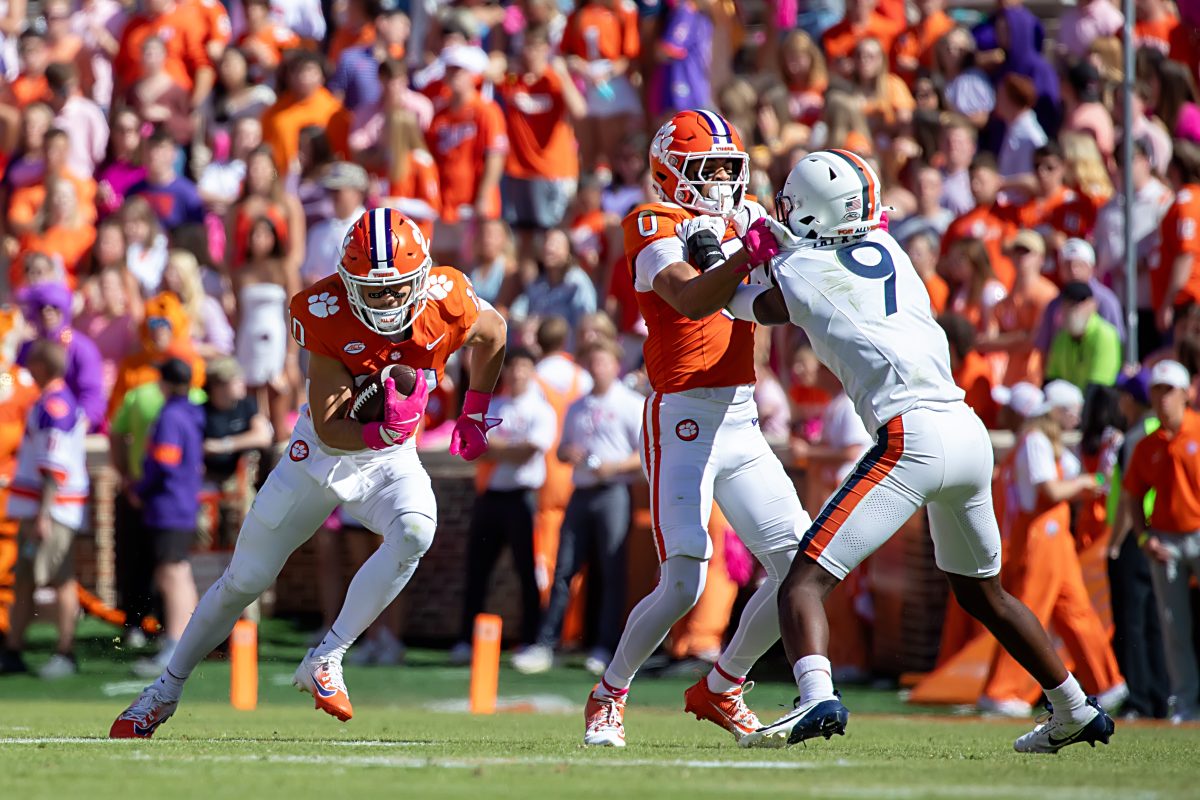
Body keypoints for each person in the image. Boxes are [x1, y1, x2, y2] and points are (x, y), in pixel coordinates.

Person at [721, 149, 1115, 753]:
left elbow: (744, 303)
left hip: (911, 436)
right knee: (983, 591)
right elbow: (835, 251)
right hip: (966, 429)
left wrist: (734, 252)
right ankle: (1074, 706)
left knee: (802, 579)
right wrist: (785, 240)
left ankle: (816, 697)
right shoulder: (897, 254)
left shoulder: (800, 273)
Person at [110, 208, 507, 737]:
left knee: (416, 528)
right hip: (321, 452)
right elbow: (329, 421)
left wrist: (475, 410)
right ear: (348, 281)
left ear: (422, 276)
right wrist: (381, 431)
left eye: (397, 289)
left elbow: (495, 332)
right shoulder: (324, 310)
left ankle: (327, 656)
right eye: (373, 289)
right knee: (244, 580)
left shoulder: (447, 298)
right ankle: (163, 691)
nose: (387, 300)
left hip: (388, 460)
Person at [583, 109, 809, 749]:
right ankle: (609, 695)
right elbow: (688, 297)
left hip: (741, 414)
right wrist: (749, 253)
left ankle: (724, 685)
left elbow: (773, 302)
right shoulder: (652, 221)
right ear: (668, 172)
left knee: (799, 566)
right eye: (704, 168)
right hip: (681, 413)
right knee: (685, 578)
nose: (718, 181)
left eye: (726, 168)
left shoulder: (744, 218)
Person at [512, 338, 643, 674]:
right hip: (581, 491)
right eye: (592, 362)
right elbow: (559, 451)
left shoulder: (631, 403)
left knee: (612, 571)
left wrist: (613, 467)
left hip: (613, 491)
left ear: (616, 366)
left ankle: (605, 646)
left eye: (603, 362)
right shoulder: (577, 406)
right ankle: (545, 643)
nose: (597, 368)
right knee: (563, 569)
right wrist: (569, 454)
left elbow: (645, 455)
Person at [451, 347, 556, 660]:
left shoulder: (540, 409)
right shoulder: (494, 405)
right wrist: (501, 447)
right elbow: (472, 445)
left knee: (526, 570)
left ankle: (532, 639)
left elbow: (529, 450)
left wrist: (494, 446)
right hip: (491, 496)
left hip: (523, 497)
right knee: (477, 570)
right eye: (512, 367)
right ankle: (465, 639)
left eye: (524, 367)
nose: (517, 373)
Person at [0, 340, 87, 679]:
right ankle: (14, 649)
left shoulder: (56, 406)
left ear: (41, 366)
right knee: (24, 579)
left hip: (53, 511)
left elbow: (54, 466)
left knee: (60, 578)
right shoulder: (48, 402)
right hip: (41, 509)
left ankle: (66, 651)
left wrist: (44, 514)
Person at [1122, 359, 1200, 723]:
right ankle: (1184, 704)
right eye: (1156, 390)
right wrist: (1142, 536)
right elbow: (1132, 494)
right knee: (1173, 628)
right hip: (1166, 538)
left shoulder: (1198, 433)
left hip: (1197, 531)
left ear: (1186, 394)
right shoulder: (1146, 444)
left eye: (1168, 391)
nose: (1161, 398)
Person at [129, 358, 204, 678]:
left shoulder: (172, 416)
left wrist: (140, 488)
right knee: (178, 571)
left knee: (171, 573)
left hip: (168, 504)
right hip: (183, 502)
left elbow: (165, 461)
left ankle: (175, 644)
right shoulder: (191, 412)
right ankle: (183, 642)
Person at [1105, 368, 1170, 719]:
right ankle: (1161, 695)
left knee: (1131, 621)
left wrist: (1114, 544)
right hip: (1158, 531)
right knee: (1156, 620)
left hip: (1134, 538)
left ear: (1129, 399)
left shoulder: (1134, 439)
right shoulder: (1156, 432)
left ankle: (1140, 698)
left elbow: (1130, 495)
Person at [1044, 281, 1122, 391]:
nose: (1074, 309)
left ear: (1093, 305)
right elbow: (1052, 380)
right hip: (1067, 404)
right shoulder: (1061, 338)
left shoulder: (1105, 335)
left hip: (1099, 404)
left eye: (1079, 303)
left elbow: (1099, 387)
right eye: (1069, 303)